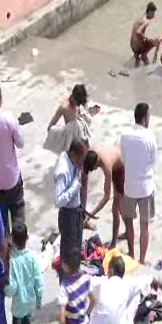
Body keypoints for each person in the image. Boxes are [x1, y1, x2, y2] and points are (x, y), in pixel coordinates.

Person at [85, 256, 157, 324]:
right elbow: (149, 279)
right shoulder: (129, 284)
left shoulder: (99, 282)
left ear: (111, 271)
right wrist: (154, 282)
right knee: (135, 297)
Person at [119, 103, 157, 265]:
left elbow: (123, 158)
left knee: (128, 221)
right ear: (144, 118)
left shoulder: (124, 135)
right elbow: (153, 160)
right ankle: (142, 259)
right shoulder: (150, 137)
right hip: (146, 187)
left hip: (130, 187)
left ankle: (132, 253)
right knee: (144, 225)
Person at [3, 223, 41, 324]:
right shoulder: (31, 257)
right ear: (27, 238)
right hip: (30, 301)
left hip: (19, 305)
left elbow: (12, 288)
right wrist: (39, 298)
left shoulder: (13, 261)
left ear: (12, 239)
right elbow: (39, 279)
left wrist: (5, 287)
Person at [0, 82, 25, 237]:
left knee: (2, 220)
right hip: (12, 179)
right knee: (18, 213)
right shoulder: (9, 119)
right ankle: (20, 248)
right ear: (0, 99)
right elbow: (20, 143)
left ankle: (6, 253)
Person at [55, 140, 87, 278]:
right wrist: (75, 184)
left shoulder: (73, 162)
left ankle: (75, 277)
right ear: (74, 154)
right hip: (68, 215)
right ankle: (66, 282)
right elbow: (58, 200)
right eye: (81, 158)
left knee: (76, 249)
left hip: (76, 212)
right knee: (68, 252)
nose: (82, 161)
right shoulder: (63, 171)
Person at [83, 147, 125, 249]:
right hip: (117, 159)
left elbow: (106, 197)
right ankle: (127, 232)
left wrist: (91, 214)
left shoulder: (106, 166)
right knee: (120, 207)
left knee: (115, 209)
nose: (96, 169)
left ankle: (114, 243)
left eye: (96, 167)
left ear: (97, 162)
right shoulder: (92, 152)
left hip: (121, 171)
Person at [45, 83, 97, 156]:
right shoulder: (64, 107)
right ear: (74, 97)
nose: (79, 104)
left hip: (81, 136)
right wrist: (61, 133)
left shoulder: (80, 103)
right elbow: (50, 127)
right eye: (78, 102)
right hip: (71, 140)